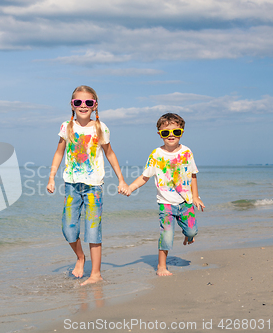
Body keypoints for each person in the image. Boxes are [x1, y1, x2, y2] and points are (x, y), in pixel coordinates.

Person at [47, 85, 129, 286]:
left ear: (95, 106)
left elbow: (110, 153)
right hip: (71, 185)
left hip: (94, 187)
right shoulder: (67, 126)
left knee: (93, 230)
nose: (83, 106)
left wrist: (121, 179)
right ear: (72, 105)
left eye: (88, 102)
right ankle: (80, 257)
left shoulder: (101, 128)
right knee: (68, 229)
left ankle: (96, 274)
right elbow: (59, 152)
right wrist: (51, 177)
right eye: (78, 102)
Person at [125, 113, 205, 276]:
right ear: (159, 134)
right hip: (166, 203)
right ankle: (161, 266)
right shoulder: (156, 155)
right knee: (166, 235)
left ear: (181, 132)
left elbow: (193, 175)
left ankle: (187, 235)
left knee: (192, 232)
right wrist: (131, 187)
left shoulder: (187, 152)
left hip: (186, 203)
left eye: (175, 132)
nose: (171, 136)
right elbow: (145, 176)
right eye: (165, 132)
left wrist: (195, 196)